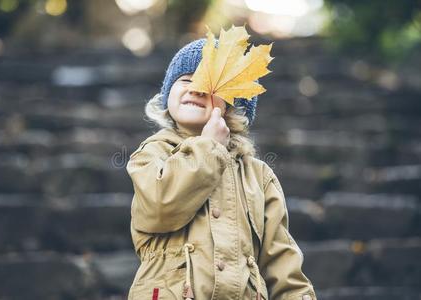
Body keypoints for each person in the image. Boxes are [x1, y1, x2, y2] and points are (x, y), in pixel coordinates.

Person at [126, 37, 317, 300]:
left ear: (233, 107)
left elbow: (281, 260)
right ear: (168, 93)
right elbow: (161, 206)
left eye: (212, 84)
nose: (197, 88)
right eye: (186, 79)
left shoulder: (259, 177)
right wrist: (209, 147)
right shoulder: (151, 155)